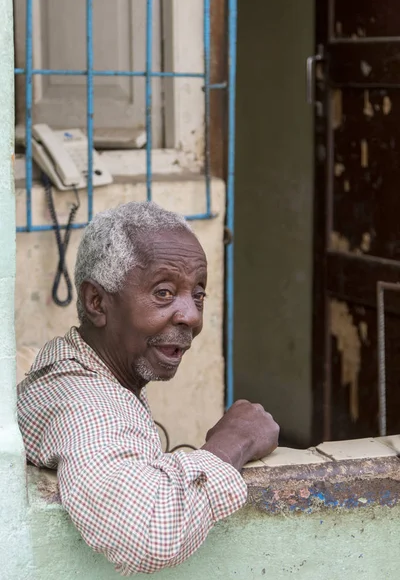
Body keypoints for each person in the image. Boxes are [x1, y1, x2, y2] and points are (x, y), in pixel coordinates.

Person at [17, 201, 279, 575]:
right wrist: (233, 442)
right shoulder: (86, 405)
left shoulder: (73, 371)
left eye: (198, 294)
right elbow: (147, 532)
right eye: (163, 293)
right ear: (97, 302)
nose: (191, 316)